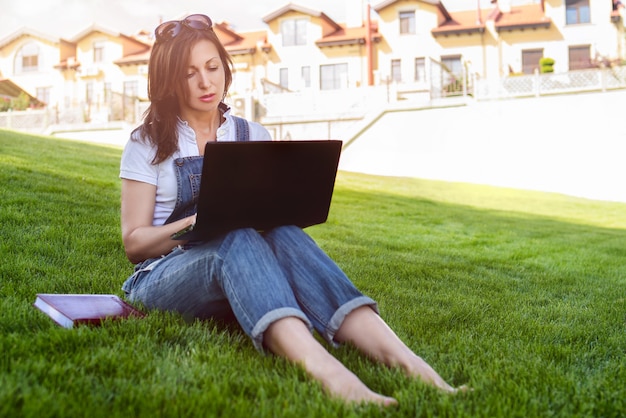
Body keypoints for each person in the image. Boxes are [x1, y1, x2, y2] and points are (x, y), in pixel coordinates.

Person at [119, 14, 466, 406]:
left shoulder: (252, 135)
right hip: (161, 278)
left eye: (212, 67)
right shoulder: (147, 143)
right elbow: (134, 243)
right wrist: (196, 223)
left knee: (283, 233)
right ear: (169, 81)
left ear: (224, 67)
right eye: (190, 73)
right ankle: (334, 377)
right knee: (233, 236)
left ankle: (408, 362)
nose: (205, 82)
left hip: (241, 261)